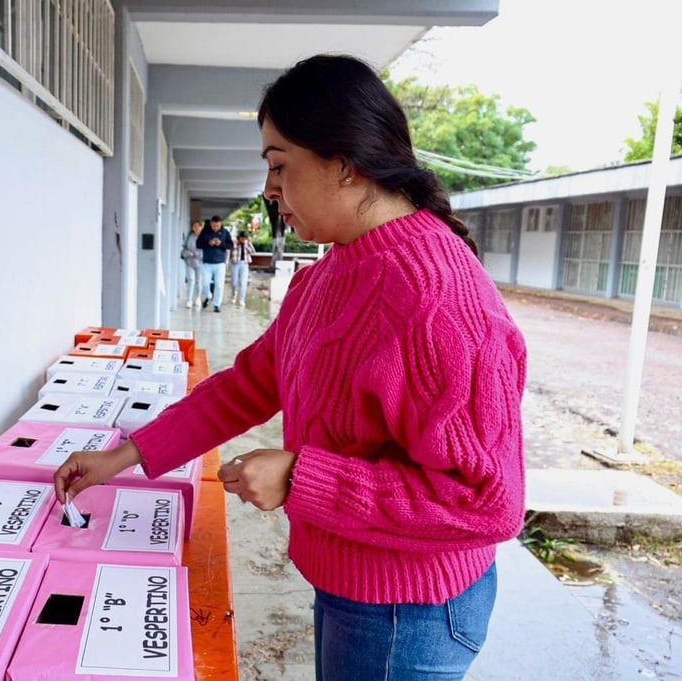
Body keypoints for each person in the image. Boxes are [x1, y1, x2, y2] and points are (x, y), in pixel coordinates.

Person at [55, 54, 526, 681]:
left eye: (279, 165)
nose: (270, 191)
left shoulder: (437, 304)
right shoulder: (330, 275)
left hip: (407, 612)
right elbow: (250, 384)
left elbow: (488, 501)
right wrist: (128, 454)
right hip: (352, 584)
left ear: (346, 164)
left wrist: (305, 477)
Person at [196, 215, 233, 312]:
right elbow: (198, 244)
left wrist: (221, 244)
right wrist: (208, 243)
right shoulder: (205, 232)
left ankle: (217, 304)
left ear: (220, 224)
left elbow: (231, 246)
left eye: (217, 226)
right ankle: (209, 296)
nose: (215, 228)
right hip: (207, 262)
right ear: (211, 224)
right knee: (204, 283)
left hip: (220, 263)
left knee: (219, 285)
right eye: (213, 226)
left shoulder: (225, 233)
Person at [229, 230, 256, 307]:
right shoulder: (234, 242)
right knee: (234, 282)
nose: (243, 240)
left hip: (244, 264)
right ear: (239, 238)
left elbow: (253, 252)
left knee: (243, 282)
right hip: (235, 263)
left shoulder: (247, 243)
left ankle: (242, 299)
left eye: (245, 238)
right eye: (242, 238)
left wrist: (247, 244)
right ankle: (234, 294)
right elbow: (230, 250)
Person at [181, 220, 203, 308]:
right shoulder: (189, 236)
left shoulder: (204, 237)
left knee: (199, 281)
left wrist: (196, 254)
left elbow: (206, 250)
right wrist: (187, 254)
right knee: (191, 280)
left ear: (201, 227)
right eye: (194, 226)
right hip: (189, 261)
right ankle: (189, 300)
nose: (196, 228)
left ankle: (198, 298)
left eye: (198, 226)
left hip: (200, 262)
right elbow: (184, 248)